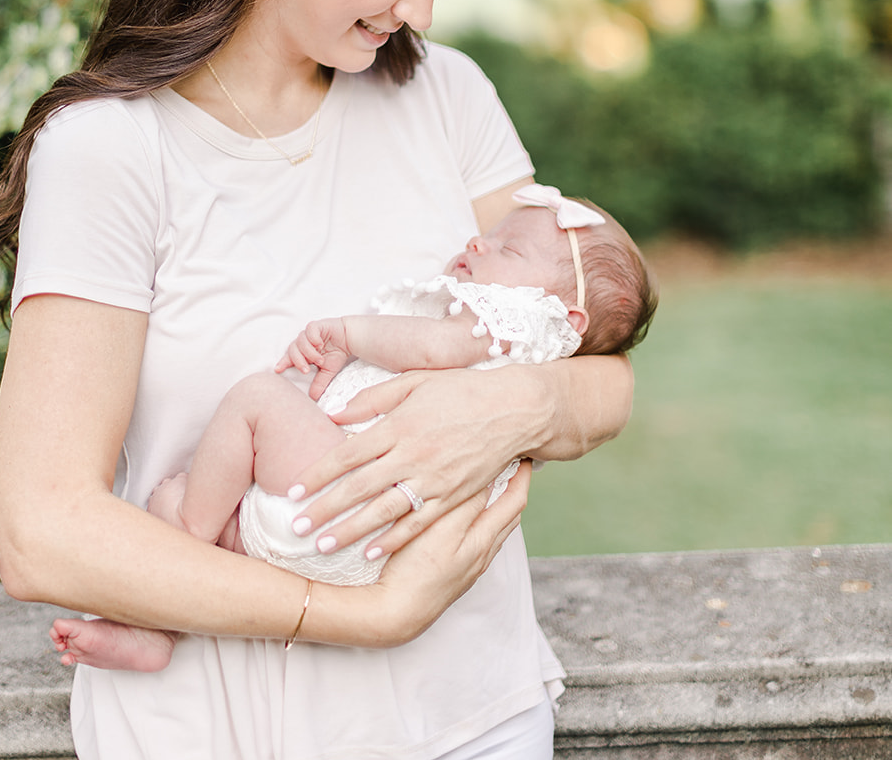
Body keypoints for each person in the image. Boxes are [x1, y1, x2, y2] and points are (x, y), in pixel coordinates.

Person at [0, 0, 635, 760]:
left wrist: (514, 408)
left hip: (472, 726)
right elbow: (42, 530)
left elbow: (594, 365)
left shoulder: (444, 96)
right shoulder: (112, 154)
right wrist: (358, 616)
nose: (423, 11)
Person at [48, 184, 656, 674]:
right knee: (208, 482)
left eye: (509, 251)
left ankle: (187, 540)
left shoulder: (515, 326)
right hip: (372, 541)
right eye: (493, 236)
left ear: (565, 315)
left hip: (357, 493)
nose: (481, 241)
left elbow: (436, 344)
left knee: (256, 403)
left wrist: (349, 332)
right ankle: (158, 625)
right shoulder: (531, 348)